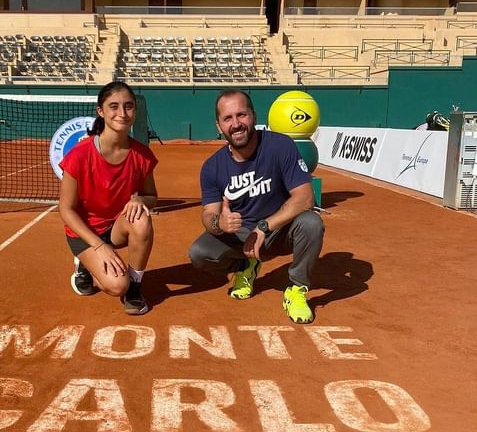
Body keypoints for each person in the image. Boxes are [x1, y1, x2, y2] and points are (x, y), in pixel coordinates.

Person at [188, 89, 325, 323]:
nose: (236, 124)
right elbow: (208, 213)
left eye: (241, 115)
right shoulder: (212, 167)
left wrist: (263, 228)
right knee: (199, 253)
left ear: (253, 116)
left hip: (280, 230)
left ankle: (296, 289)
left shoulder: (280, 146)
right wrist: (218, 222)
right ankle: (246, 266)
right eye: (227, 118)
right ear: (219, 126)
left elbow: (304, 198)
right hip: (240, 236)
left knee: (312, 223)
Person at [58, 81, 158, 315]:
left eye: (128, 106)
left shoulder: (142, 155)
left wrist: (141, 201)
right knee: (115, 285)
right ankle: (84, 262)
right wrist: (99, 246)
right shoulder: (79, 155)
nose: (122, 113)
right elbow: (66, 210)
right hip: (84, 232)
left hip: (116, 227)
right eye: (113, 106)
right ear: (100, 111)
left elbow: (152, 196)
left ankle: (134, 286)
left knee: (142, 220)